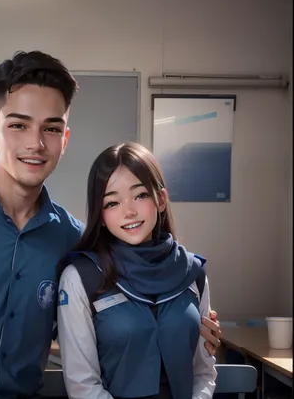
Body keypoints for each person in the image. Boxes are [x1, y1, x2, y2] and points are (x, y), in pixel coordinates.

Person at [0, 52, 221, 399]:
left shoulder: (72, 240)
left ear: (64, 140)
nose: (35, 143)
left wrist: (188, 326)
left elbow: (114, 318)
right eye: (18, 125)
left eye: (51, 128)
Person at [57, 142, 217, 399]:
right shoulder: (80, 278)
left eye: (140, 195)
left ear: (161, 199)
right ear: (101, 214)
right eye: (112, 203)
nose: (129, 211)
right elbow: (82, 384)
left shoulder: (193, 273)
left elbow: (203, 372)